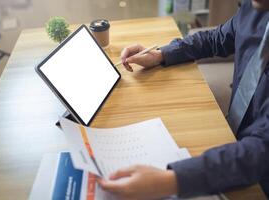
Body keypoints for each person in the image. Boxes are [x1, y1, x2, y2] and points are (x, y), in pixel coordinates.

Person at [97, 0, 269, 199]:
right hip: (232, 140)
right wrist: (161, 55)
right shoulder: (256, 6)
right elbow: (219, 37)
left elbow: (261, 153)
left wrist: (170, 181)